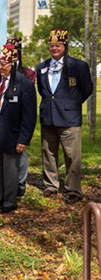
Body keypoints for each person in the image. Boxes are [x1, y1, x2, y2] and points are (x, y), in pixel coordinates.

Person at [0, 44, 36, 213]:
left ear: (13, 63)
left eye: (4, 64)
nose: (0, 67)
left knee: (10, 167)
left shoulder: (24, 83)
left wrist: (24, 139)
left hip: (12, 130)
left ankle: (9, 201)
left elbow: (29, 115)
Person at [36, 29, 93, 204]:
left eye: (58, 45)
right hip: (48, 117)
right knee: (49, 153)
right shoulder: (42, 67)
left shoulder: (78, 66)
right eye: (52, 45)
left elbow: (87, 89)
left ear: (65, 46)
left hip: (69, 118)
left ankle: (73, 189)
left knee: (72, 156)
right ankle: (51, 185)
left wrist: (71, 104)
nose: (54, 48)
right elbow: (42, 90)